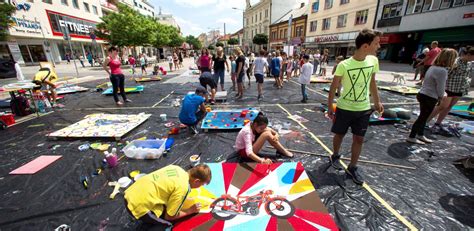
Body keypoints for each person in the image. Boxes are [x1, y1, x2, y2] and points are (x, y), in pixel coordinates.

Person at [326, 29, 384, 185]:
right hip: (344, 108)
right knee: (339, 134)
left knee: (359, 138)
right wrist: (330, 105)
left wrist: (377, 101)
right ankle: (336, 155)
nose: (378, 46)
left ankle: (352, 167)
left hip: (363, 108)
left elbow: (372, 82)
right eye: (376, 43)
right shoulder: (344, 65)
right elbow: (333, 86)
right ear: (366, 46)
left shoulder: (373, 61)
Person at [124, 164, 211, 228]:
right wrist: (190, 211)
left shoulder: (176, 168)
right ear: (196, 181)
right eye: (202, 184)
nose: (201, 187)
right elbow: (169, 216)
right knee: (168, 225)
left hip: (130, 192)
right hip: (137, 205)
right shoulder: (183, 188)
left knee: (163, 208)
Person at [407, 48, 458, 144]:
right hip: (429, 96)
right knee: (422, 117)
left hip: (423, 94)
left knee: (424, 116)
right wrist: (441, 96)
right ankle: (412, 136)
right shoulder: (442, 71)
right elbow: (440, 87)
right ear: (450, 59)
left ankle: (420, 134)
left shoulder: (432, 67)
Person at [429, 46, 473, 132]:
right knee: (442, 106)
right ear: (468, 54)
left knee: (449, 106)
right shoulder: (455, 62)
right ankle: (426, 122)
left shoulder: (470, 64)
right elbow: (445, 75)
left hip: (460, 88)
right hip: (449, 88)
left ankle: (438, 123)